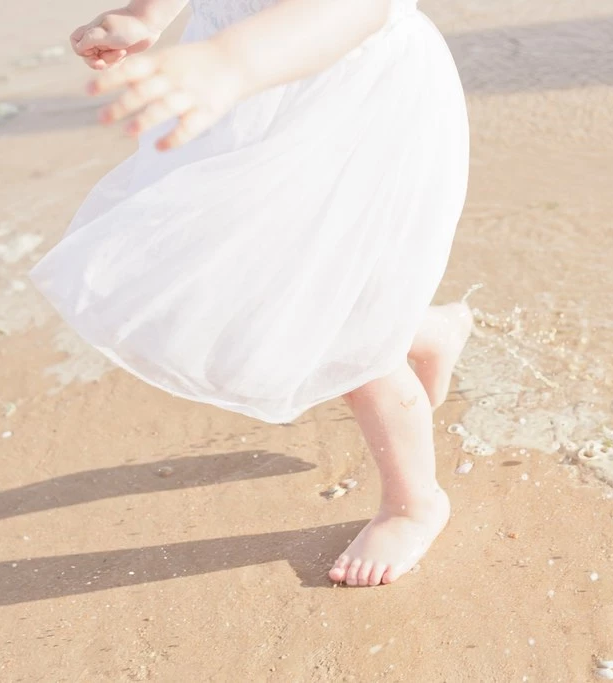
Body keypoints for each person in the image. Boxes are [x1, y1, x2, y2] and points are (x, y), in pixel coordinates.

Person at [30, 0, 471, 587]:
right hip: (237, 101)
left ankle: (414, 504)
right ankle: (423, 329)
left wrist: (231, 60)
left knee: (328, 320)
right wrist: (145, 16)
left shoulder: (248, 62)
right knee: (234, 277)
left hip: (342, 104)